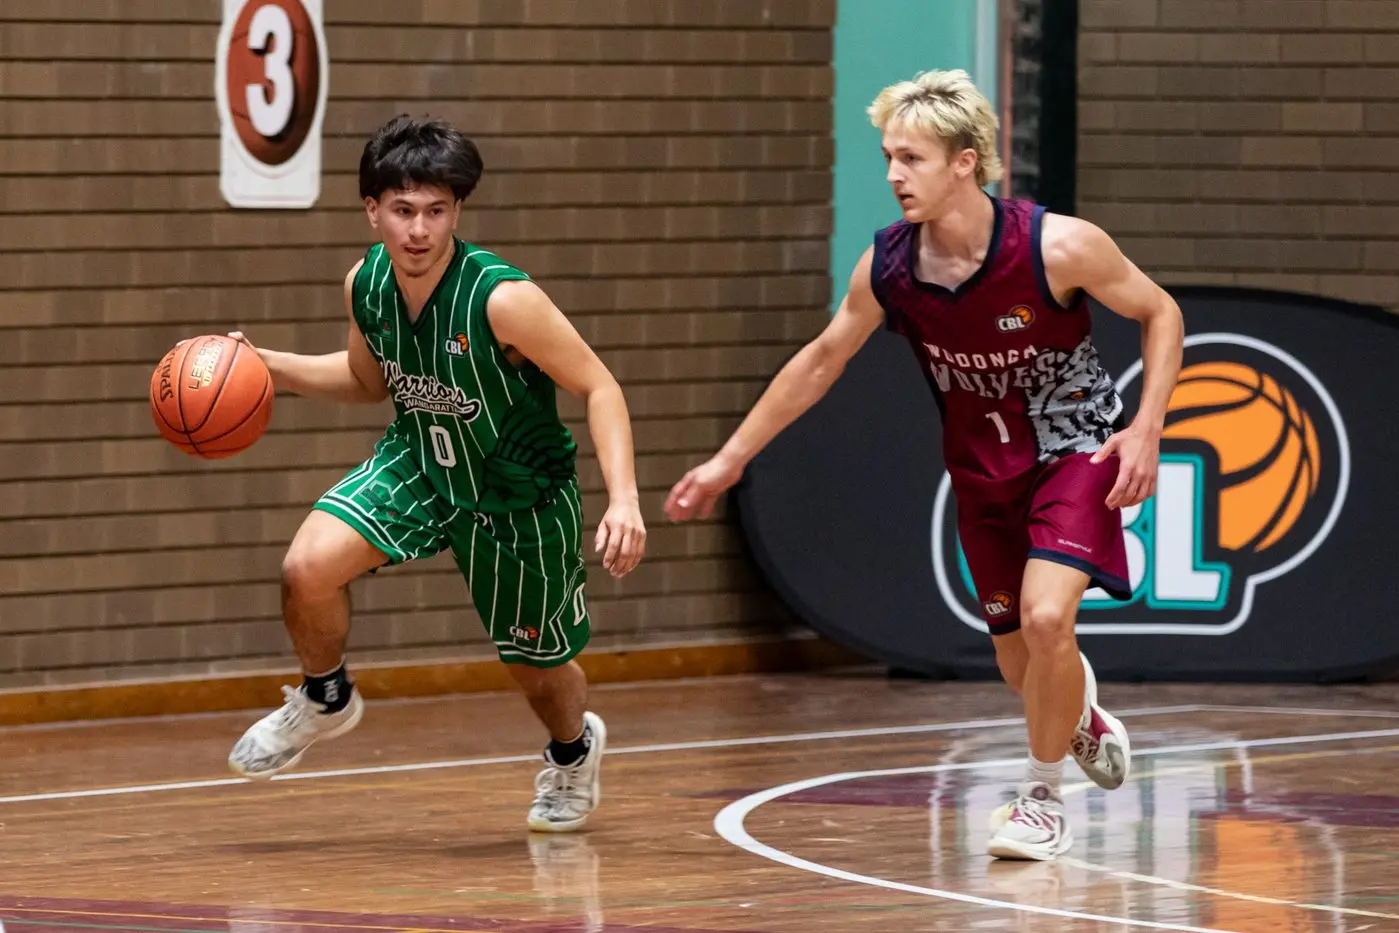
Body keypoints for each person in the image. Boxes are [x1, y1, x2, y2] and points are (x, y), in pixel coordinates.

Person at [664, 70, 1184, 861]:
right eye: (887, 157)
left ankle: (1040, 798)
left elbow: (1160, 312)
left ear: (965, 162)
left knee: (1049, 620)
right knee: (1022, 662)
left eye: (910, 158)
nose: (892, 176)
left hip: (1076, 451)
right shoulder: (889, 270)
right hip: (981, 475)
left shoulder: (1057, 244)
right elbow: (821, 359)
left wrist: (1145, 425)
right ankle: (1079, 717)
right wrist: (730, 459)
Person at [224, 114, 647, 834]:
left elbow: (600, 386)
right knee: (306, 567)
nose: (419, 229)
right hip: (420, 460)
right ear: (372, 209)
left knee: (537, 669)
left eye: (436, 211)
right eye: (402, 210)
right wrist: (266, 363)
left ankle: (573, 752)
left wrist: (625, 499)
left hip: (517, 492)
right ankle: (324, 695)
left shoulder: (502, 298)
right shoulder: (367, 281)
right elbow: (364, 379)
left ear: (457, 210)